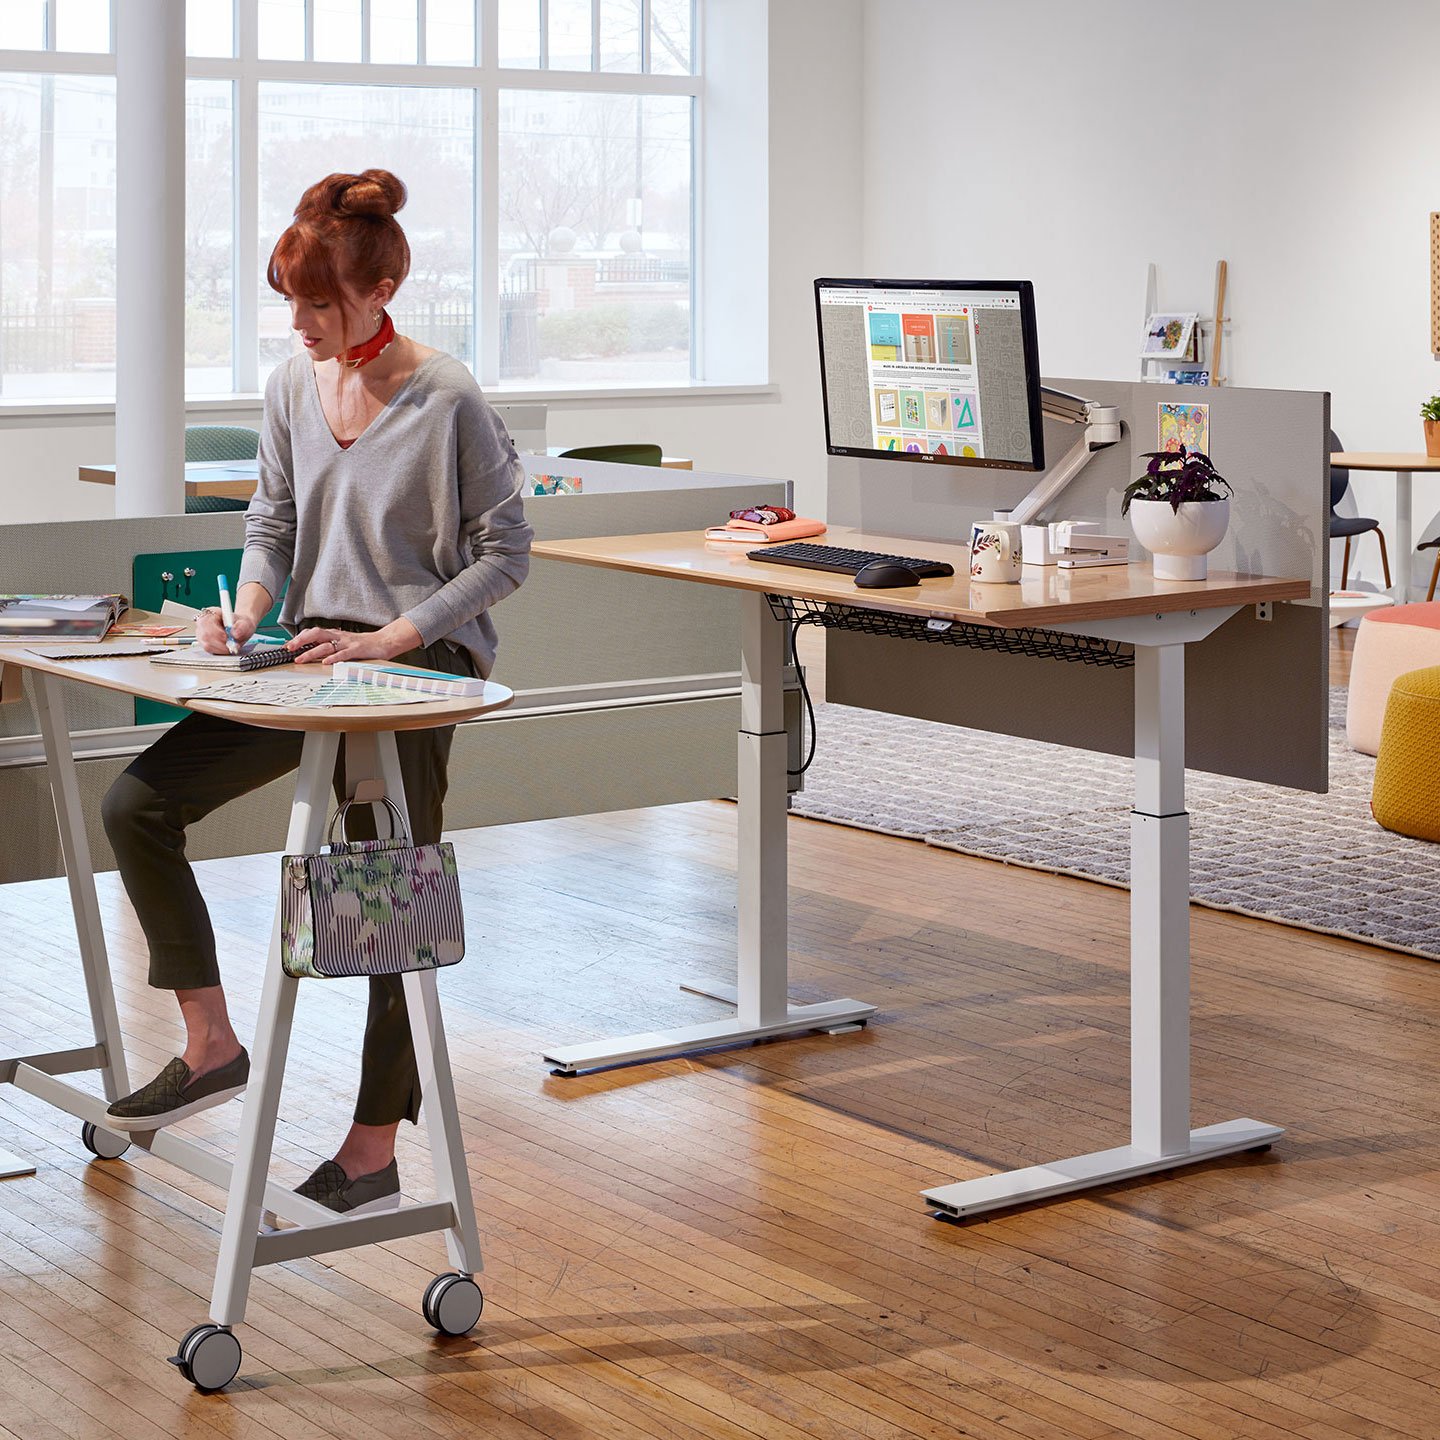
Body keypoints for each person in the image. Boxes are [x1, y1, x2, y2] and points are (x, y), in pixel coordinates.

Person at [100, 168, 532, 1215]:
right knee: (138, 804)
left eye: (321, 303)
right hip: (310, 655)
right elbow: (271, 522)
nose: (300, 322)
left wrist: (396, 633)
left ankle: (375, 1145)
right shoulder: (293, 384)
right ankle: (209, 1041)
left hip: (414, 668)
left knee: (383, 893)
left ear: (384, 289)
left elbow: (506, 552)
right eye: (290, 300)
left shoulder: (450, 397)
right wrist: (246, 609)